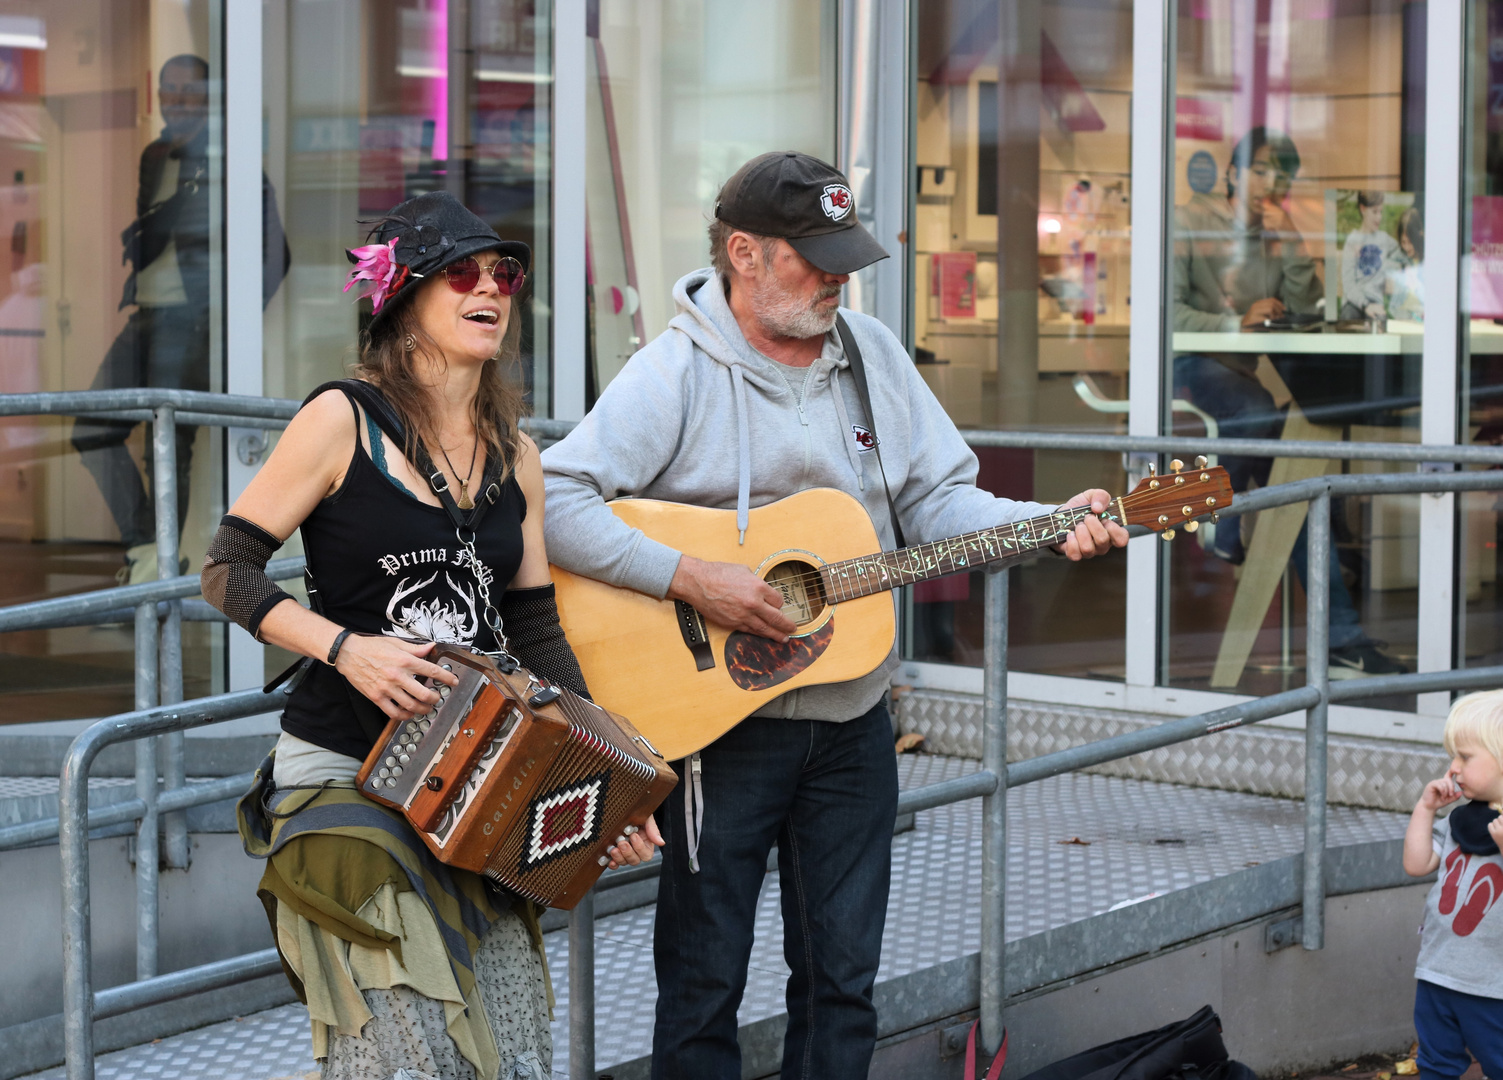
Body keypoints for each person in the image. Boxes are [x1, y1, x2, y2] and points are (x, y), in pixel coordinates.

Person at [541, 151, 1128, 1080]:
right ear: (743, 253)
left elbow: (940, 503)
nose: (838, 278)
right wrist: (693, 577)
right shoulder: (676, 373)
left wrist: (1049, 525)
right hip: (720, 733)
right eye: (814, 258)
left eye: (845, 255)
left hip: (854, 725)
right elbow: (556, 496)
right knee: (701, 988)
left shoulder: (872, 356)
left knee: (843, 983)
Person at [203, 191, 657, 1080]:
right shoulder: (343, 419)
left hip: (476, 776)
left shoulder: (515, 450)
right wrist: (345, 647)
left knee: (507, 1046)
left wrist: (607, 778)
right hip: (346, 775)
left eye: (505, 274)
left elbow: (530, 624)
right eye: (462, 272)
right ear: (404, 300)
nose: (491, 287)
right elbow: (229, 569)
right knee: (407, 1050)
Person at [1171, 127, 1405, 678]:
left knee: (1290, 488)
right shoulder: (1189, 221)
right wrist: (1236, 320)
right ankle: (1227, 526)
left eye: (1280, 176)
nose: (1270, 184)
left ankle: (1237, 536)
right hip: (1189, 368)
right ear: (1233, 173)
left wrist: (1295, 241)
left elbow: (1308, 309)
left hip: (1245, 378)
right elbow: (1167, 314)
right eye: (1260, 172)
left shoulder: (1276, 234)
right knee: (1264, 422)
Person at [74, 54, 291, 584]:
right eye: (168, 89)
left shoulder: (228, 160)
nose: (177, 99)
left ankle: (156, 561)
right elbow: (153, 232)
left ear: (210, 97)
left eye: (189, 90)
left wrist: (224, 322)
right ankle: (150, 546)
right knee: (92, 430)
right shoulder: (155, 156)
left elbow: (275, 254)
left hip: (189, 320)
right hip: (145, 312)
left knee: (167, 445)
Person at [1401, 689, 1503, 1080]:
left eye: (1465, 756)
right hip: (1437, 972)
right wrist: (1425, 809)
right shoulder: (1462, 820)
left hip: (1493, 986)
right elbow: (1417, 863)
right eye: (1453, 756)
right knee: (1435, 1063)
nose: (1453, 767)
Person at [1340, 191, 1399, 321]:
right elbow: (1348, 285)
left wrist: (1389, 267)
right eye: (1374, 212)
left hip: (1376, 302)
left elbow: (1400, 252)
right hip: (1354, 303)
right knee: (1348, 317)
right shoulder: (1353, 240)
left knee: (1381, 322)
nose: (1379, 218)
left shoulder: (1383, 239)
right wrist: (1365, 305)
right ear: (1363, 209)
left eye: (1381, 212)